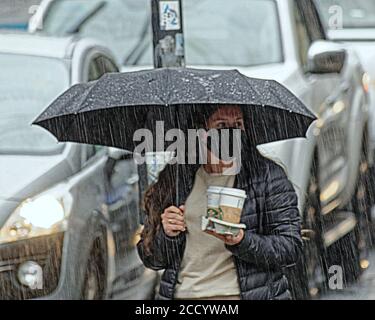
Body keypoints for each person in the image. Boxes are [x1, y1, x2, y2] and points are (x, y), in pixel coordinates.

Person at [137, 105, 302, 300]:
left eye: (238, 125)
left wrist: (242, 240)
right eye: (221, 125)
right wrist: (167, 235)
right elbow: (151, 257)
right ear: (201, 132)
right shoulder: (176, 178)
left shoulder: (266, 176)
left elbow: (290, 247)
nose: (231, 133)